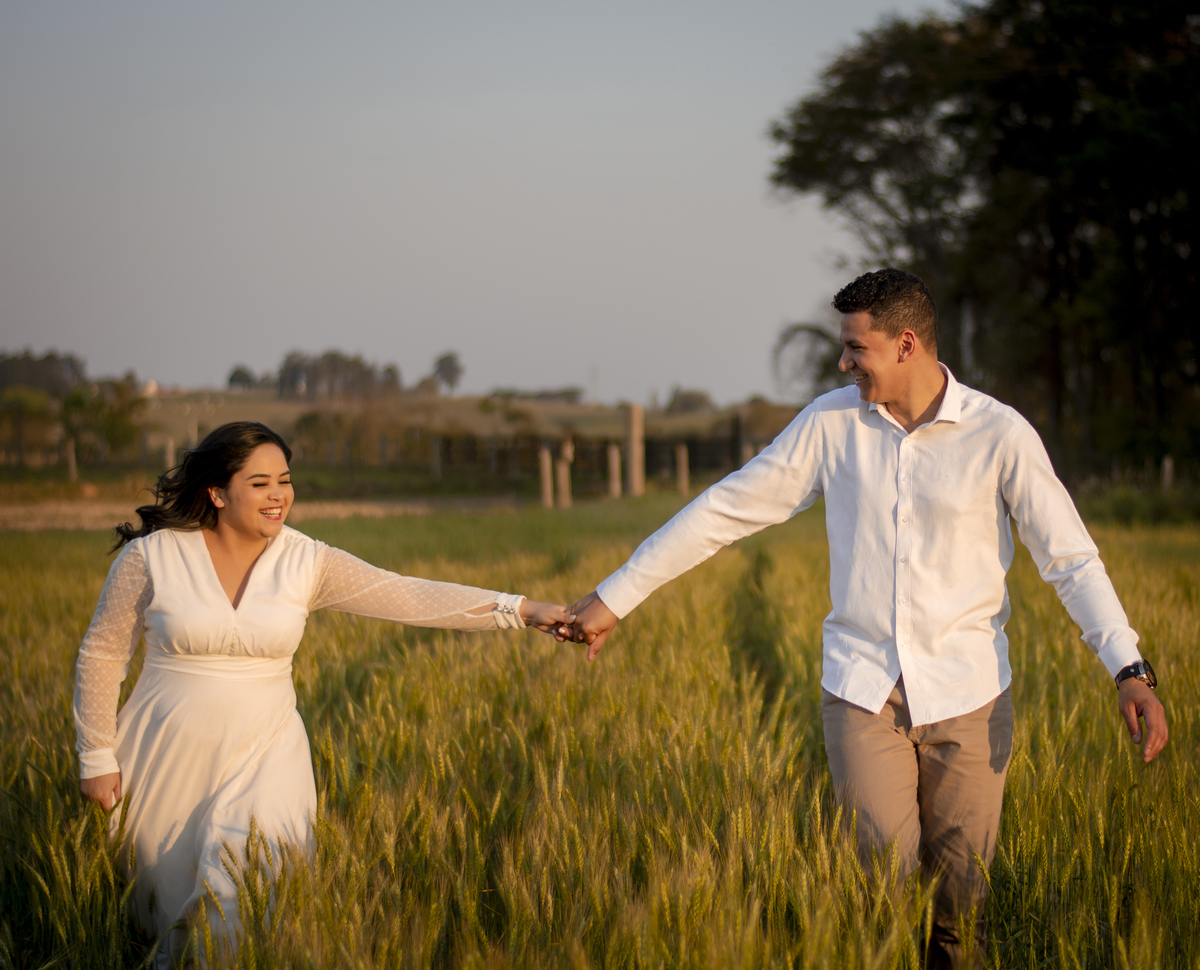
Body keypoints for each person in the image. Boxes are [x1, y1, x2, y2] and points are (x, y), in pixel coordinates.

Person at [563, 269, 1168, 968]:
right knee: (885, 896)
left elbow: (1071, 560)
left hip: (970, 696)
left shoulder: (1000, 435)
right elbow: (726, 509)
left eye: (856, 347)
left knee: (960, 910)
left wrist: (1128, 668)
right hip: (861, 691)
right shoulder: (830, 424)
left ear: (905, 343)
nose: (843, 362)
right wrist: (615, 596)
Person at [75, 421, 570, 964]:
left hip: (267, 753)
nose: (278, 496)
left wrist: (521, 610)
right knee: (164, 919)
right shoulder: (152, 557)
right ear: (217, 492)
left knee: (240, 898)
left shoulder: (307, 561)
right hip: (165, 756)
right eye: (260, 483)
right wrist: (96, 755)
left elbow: (410, 596)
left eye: (284, 481)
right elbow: (102, 654)